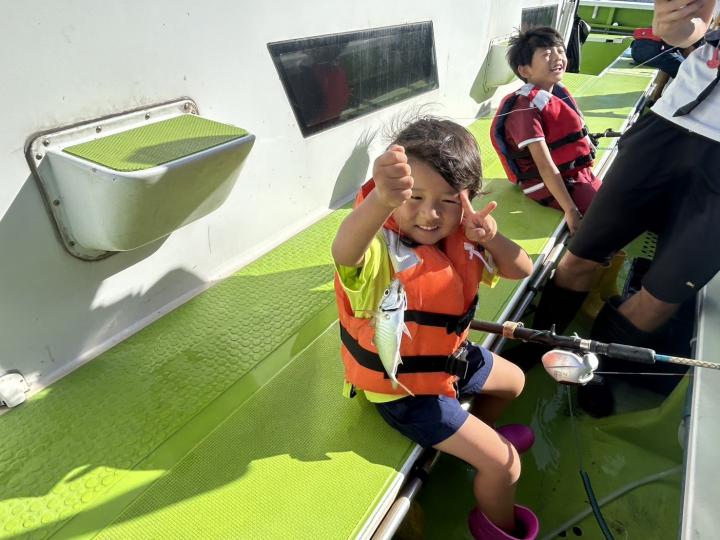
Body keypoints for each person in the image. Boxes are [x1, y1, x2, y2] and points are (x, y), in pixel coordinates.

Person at [332, 117, 538, 540]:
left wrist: (491, 238)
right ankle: (495, 520)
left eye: (447, 200)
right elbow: (345, 252)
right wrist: (380, 203)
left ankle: (474, 445)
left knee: (515, 381)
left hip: (449, 360)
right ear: (392, 195)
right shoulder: (377, 250)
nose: (430, 214)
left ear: (467, 200)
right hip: (404, 392)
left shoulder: (465, 235)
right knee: (506, 466)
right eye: (414, 197)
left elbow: (522, 268)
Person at [534, 0, 720, 415]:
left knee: (659, 301)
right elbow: (693, 30)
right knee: (579, 258)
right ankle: (539, 343)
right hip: (669, 128)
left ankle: (596, 368)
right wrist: (673, 27)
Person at [491, 26, 601, 235]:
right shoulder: (524, 109)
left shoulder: (554, 94)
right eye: (547, 54)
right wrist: (570, 210)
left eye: (560, 50)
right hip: (545, 185)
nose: (558, 57)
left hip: (574, 175)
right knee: (603, 218)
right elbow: (544, 165)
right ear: (525, 71)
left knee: (618, 201)